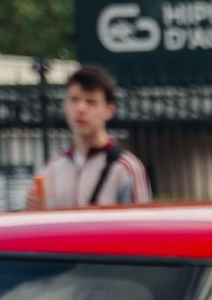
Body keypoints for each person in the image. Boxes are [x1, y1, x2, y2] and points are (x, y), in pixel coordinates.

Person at [27, 66, 152, 210]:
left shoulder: (126, 167)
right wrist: (34, 208)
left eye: (91, 102)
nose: (80, 109)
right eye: (74, 100)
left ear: (109, 110)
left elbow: (141, 225)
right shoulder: (53, 168)